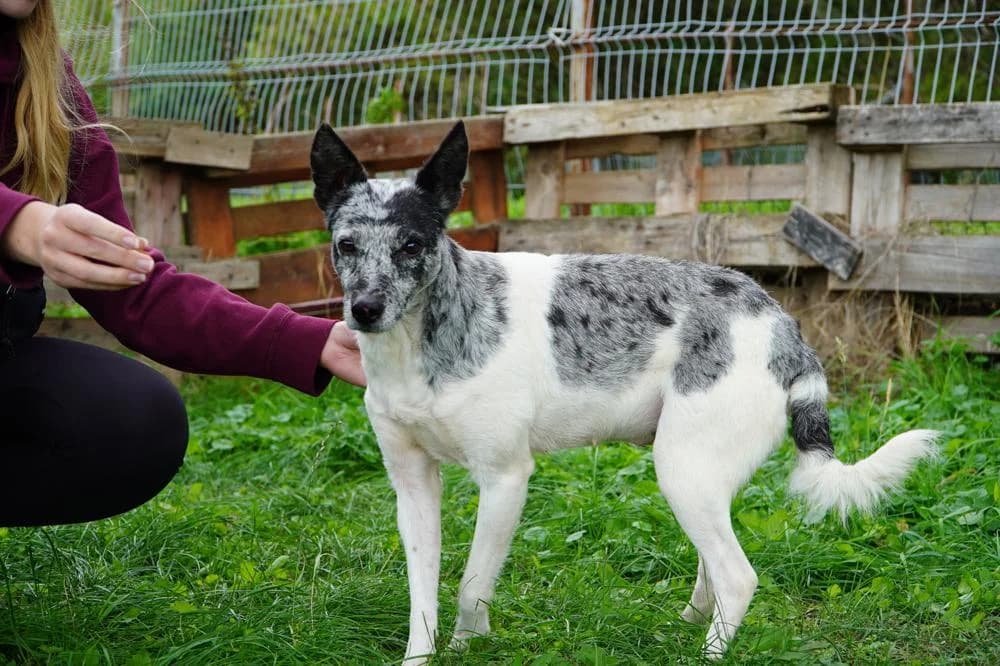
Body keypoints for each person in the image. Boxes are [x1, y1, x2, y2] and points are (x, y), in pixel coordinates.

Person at [0, 0, 364, 527]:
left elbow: (138, 291)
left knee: (137, 419)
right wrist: (17, 223)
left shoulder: (46, 80)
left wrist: (307, 340)